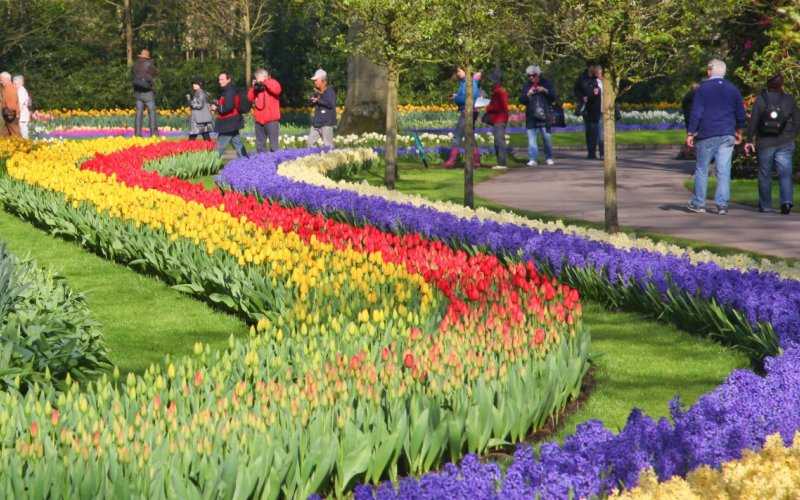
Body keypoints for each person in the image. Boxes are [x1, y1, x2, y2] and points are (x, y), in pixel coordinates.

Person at [686, 59, 746, 215]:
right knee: (724, 170)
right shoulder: (733, 89)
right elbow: (740, 112)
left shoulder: (702, 89)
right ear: (724, 72)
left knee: (701, 169)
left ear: (709, 71)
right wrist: (739, 131)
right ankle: (722, 205)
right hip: (727, 133)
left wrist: (691, 132)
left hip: (707, 133)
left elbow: (696, 112)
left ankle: (699, 203)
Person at [744, 74, 797, 215]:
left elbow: (754, 121)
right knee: (785, 173)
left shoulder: (761, 99)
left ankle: (766, 205)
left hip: (765, 142)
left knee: (764, 174)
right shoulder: (789, 100)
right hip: (785, 141)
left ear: (768, 85)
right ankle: (786, 202)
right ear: (782, 85)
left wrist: (749, 140)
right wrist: (791, 135)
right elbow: (797, 121)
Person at [443, 67, 481, 168]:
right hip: (470, 111)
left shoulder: (469, 83)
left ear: (465, 71)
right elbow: (465, 95)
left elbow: (468, 98)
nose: (458, 73)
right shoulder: (467, 83)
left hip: (467, 111)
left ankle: (452, 160)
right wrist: (457, 95)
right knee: (470, 136)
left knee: (458, 136)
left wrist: (456, 98)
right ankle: (476, 160)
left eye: (459, 71)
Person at [520, 65, 556, 167]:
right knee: (532, 139)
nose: (531, 77)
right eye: (529, 76)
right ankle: (533, 158)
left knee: (546, 138)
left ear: (538, 75)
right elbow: (521, 100)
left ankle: (549, 157)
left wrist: (545, 90)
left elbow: (553, 97)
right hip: (531, 116)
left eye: (533, 75)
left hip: (544, 114)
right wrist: (528, 94)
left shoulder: (546, 83)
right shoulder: (527, 85)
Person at [212, 72, 247, 158]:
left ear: (228, 80)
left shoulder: (229, 91)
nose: (220, 81)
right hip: (232, 122)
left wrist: (216, 108)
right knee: (238, 144)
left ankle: (210, 164)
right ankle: (247, 162)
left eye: (222, 79)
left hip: (228, 123)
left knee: (219, 147)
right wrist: (218, 103)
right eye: (219, 79)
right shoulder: (228, 90)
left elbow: (228, 107)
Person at [248, 68, 283, 153]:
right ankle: (262, 164)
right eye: (256, 78)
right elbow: (249, 98)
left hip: (271, 120)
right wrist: (254, 88)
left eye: (257, 78)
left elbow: (277, 90)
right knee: (260, 147)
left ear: (264, 76)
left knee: (274, 146)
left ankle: (275, 163)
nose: (257, 80)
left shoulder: (272, 82)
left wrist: (265, 81)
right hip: (259, 121)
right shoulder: (257, 87)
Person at [574, 63, 603, 159]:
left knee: (599, 132)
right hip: (587, 109)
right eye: (594, 67)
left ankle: (603, 153)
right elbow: (576, 89)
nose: (596, 69)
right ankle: (591, 153)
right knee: (589, 131)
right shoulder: (582, 78)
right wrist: (582, 97)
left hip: (598, 108)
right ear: (590, 67)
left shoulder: (598, 78)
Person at [484, 70, 510, 169]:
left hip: (500, 118)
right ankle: (500, 162)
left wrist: (488, 107)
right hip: (499, 118)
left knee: (499, 140)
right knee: (498, 140)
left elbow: (501, 107)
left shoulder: (499, 92)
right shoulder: (498, 91)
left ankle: (502, 163)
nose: (491, 82)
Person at [306, 69, 336, 148]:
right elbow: (310, 104)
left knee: (328, 146)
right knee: (309, 143)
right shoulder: (316, 92)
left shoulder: (330, 91)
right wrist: (311, 101)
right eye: (314, 80)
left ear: (323, 80)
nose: (314, 82)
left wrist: (318, 100)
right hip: (316, 123)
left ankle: (330, 159)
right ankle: (314, 158)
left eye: (316, 80)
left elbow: (331, 104)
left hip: (327, 124)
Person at [132, 49, 158, 137]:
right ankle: (153, 134)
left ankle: (137, 134)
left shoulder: (135, 64)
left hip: (138, 92)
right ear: (147, 57)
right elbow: (155, 74)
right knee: (152, 112)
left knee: (139, 113)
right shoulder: (149, 65)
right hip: (148, 93)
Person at [0, 72, 20, 137]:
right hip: (8, 115)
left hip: (10, 115)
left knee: (16, 134)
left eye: (1, 80)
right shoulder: (6, 88)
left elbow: (12, 104)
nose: (0, 81)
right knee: (4, 134)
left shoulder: (10, 88)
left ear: (7, 79)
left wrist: (10, 114)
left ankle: (23, 145)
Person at [12, 75, 31, 139]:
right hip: (21, 114)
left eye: (15, 84)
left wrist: (17, 113)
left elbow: (20, 104)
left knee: (23, 132)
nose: (14, 85)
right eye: (13, 83)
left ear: (21, 83)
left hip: (22, 115)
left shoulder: (21, 91)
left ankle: (26, 145)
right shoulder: (18, 90)